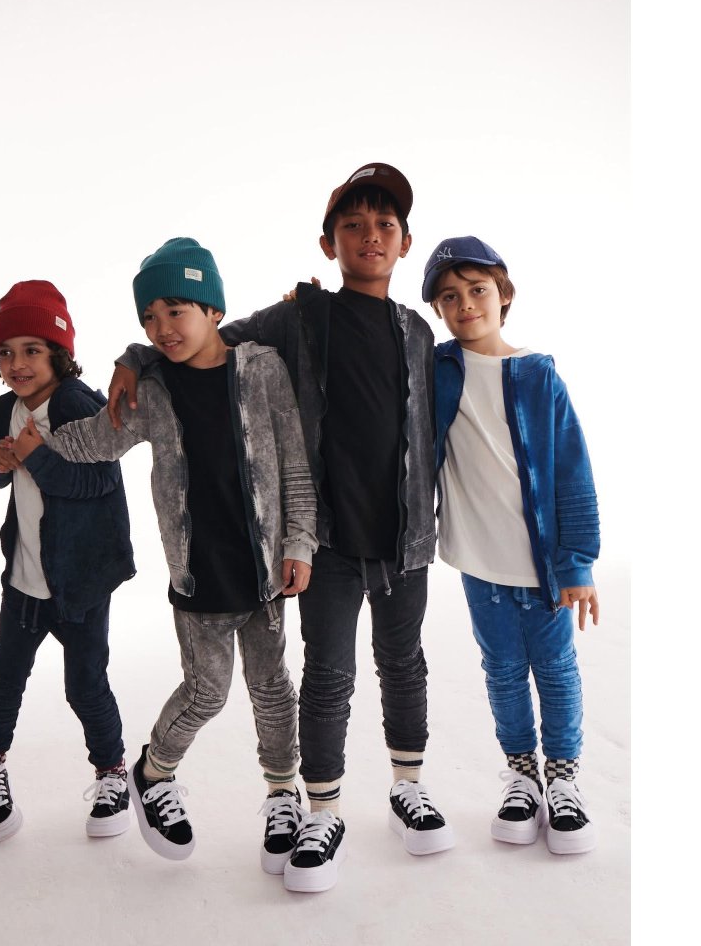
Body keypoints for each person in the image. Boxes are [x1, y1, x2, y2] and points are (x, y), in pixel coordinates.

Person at [107, 165, 455, 893]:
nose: (369, 236)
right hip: (325, 540)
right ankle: (322, 811)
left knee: (404, 664)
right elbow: (206, 342)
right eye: (352, 226)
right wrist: (135, 356)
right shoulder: (298, 318)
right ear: (329, 243)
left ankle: (409, 786)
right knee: (327, 677)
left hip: (405, 541)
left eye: (385, 225)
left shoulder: (419, 331)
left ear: (405, 241)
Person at [14, 237, 317, 871]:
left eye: (175, 310)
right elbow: (97, 440)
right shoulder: (151, 389)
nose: (161, 328)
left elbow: (294, 465)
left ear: (213, 310)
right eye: (149, 317)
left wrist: (299, 542)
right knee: (207, 692)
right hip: (199, 575)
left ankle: (282, 793)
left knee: (272, 687)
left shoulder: (262, 369)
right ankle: (153, 771)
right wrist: (36, 447)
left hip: (264, 573)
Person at [423, 235, 600, 855]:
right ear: (437, 310)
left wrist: (577, 562)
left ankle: (564, 778)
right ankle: (522, 775)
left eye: (477, 290)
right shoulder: (436, 369)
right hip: (478, 560)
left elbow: (572, 470)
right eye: (449, 297)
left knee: (554, 669)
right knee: (501, 670)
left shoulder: (537, 374)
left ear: (503, 295)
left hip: (542, 563)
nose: (465, 304)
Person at [0, 280, 136, 843]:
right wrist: (0, 463)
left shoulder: (77, 406)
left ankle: (113, 773)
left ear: (60, 354)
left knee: (85, 685)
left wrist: (35, 457)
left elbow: (98, 482)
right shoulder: (5, 410)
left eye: (32, 350)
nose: (17, 364)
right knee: (3, 678)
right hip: (25, 580)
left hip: (80, 582)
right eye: (6, 352)